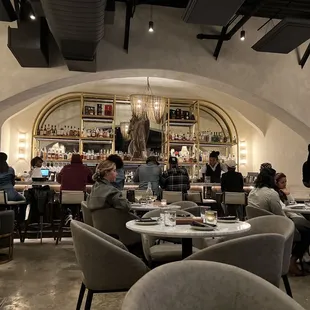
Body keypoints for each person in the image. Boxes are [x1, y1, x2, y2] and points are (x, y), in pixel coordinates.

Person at [249, 169, 310, 276]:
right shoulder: (271, 194)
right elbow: (280, 216)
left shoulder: (252, 192)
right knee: (307, 232)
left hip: (257, 227)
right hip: (274, 228)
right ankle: (291, 261)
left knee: (304, 227)